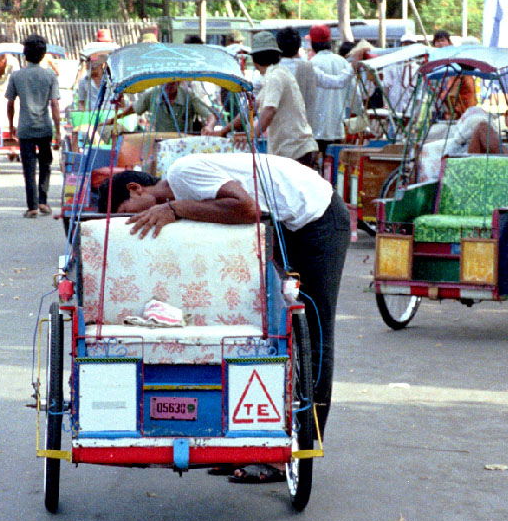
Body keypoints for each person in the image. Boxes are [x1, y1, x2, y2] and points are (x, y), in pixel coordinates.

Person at [96, 151, 350, 476]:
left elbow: (246, 208)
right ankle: (257, 442)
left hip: (318, 216)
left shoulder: (182, 173)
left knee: (313, 332)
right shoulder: (184, 192)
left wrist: (173, 209)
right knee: (271, 329)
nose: (132, 221)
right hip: (285, 223)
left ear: (135, 189)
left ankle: (302, 448)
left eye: (125, 213)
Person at [241, 31, 318, 168]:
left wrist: (250, 137)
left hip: (295, 151)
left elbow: (269, 110)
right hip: (296, 150)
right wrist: (225, 131)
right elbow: (252, 108)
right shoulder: (275, 75)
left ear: (254, 61)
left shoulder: (275, 77)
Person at [6, 34, 62, 217]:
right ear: (43, 54)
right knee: (46, 164)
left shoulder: (17, 76)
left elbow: (10, 103)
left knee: (28, 167)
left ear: (25, 54)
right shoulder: (50, 75)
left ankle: (32, 207)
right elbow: (54, 104)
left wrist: (10, 124)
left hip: (25, 128)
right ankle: (43, 202)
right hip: (45, 127)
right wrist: (58, 131)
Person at [306, 23, 355, 157]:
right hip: (339, 127)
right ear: (329, 42)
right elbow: (354, 94)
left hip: (315, 129)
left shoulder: (311, 64)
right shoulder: (344, 63)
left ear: (313, 43)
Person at [115, 80, 214, 134]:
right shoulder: (153, 94)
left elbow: (210, 116)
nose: (168, 86)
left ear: (178, 82)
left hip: (182, 142)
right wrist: (115, 118)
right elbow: (135, 108)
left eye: (172, 83)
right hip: (159, 141)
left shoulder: (188, 96)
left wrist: (209, 127)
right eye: (165, 83)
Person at [432, 29, 477, 119]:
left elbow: (449, 94)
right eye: (437, 41)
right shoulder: (432, 62)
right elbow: (448, 94)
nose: (440, 44)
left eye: (443, 40)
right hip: (447, 111)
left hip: (463, 113)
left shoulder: (459, 69)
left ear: (449, 42)